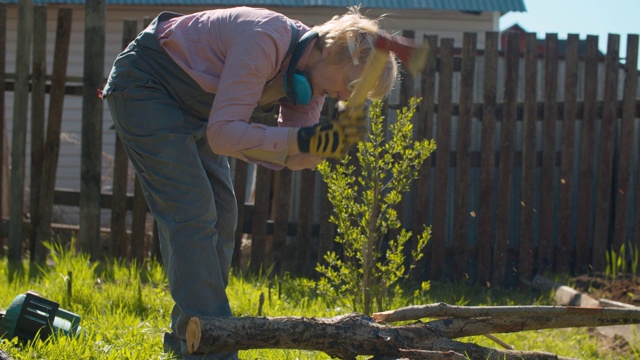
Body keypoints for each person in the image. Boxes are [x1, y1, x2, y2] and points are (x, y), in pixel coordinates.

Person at [101, 5, 397, 359]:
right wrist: (300, 142)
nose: (348, 97)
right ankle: (213, 350)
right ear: (336, 51)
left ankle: (190, 340)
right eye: (353, 85)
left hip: (195, 109)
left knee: (223, 214)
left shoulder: (311, 81)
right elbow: (224, 135)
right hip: (146, 85)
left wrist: (321, 146)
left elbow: (290, 152)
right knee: (193, 213)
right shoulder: (264, 38)